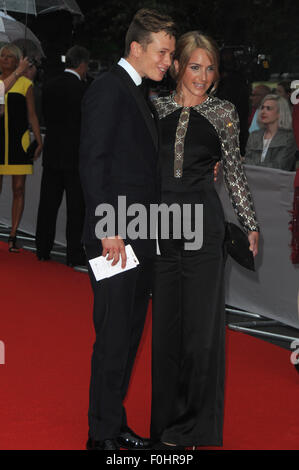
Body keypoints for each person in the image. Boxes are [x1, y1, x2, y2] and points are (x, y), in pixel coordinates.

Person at [150, 31, 259, 449]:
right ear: (176, 66)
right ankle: (166, 428)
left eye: (210, 68)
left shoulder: (224, 112)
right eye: (195, 66)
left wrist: (249, 224)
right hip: (159, 226)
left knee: (201, 332)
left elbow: (233, 172)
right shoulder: (154, 107)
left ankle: (195, 429)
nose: (203, 75)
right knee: (167, 330)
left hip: (203, 229)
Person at [79, 9, 176, 450]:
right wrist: (108, 229)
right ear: (136, 48)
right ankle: (101, 437)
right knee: (115, 337)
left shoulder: (137, 93)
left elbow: (141, 168)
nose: (168, 62)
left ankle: (112, 426)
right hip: (114, 237)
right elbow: (93, 163)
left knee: (128, 335)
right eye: (162, 52)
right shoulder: (108, 89)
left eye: (171, 54)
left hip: (138, 236)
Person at [35, 46, 89, 266]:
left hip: (52, 152)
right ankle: (73, 254)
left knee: (47, 204)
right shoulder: (84, 90)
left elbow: (46, 117)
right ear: (83, 64)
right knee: (76, 208)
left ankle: (42, 248)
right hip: (75, 156)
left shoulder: (49, 86)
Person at [0, 45, 42, 252]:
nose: (5, 59)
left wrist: (38, 139)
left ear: (18, 61)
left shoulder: (26, 83)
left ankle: (13, 234)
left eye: (10, 56)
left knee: (18, 188)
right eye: (2, 56)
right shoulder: (0, 83)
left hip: (18, 142)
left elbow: (32, 114)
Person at [245, 94, 297, 170]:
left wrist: (250, 164)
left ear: (280, 113)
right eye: (262, 108)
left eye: (268, 108)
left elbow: (279, 166)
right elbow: (247, 163)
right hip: (253, 180)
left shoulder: (289, 137)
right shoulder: (254, 135)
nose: (263, 111)